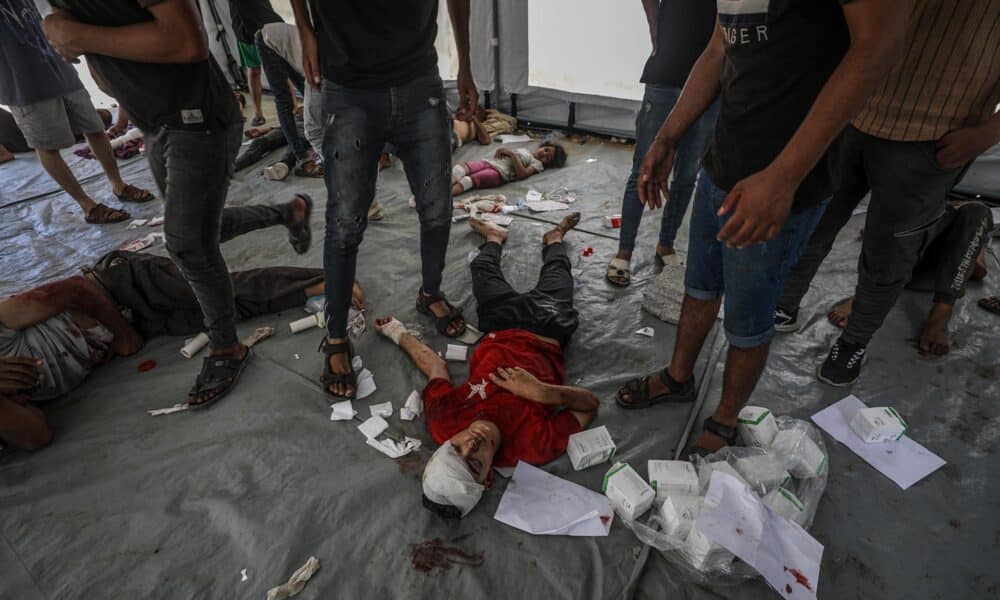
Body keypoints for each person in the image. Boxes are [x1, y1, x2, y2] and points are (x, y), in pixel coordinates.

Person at [616, 0, 912, 458]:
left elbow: (880, 44)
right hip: (724, 163)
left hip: (783, 183)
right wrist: (667, 136)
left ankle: (726, 418)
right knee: (699, 284)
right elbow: (719, 48)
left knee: (749, 314)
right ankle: (678, 378)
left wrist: (783, 178)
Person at [0, 195, 357, 451]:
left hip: (121, 287)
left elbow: (74, 289)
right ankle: (309, 274)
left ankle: (320, 266)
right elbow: (37, 436)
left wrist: (122, 334)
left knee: (213, 283)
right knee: (220, 312)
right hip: (139, 321)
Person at [771, 0, 1000, 385]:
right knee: (815, 218)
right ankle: (783, 303)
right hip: (856, 110)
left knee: (889, 251)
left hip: (935, 137)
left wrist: (986, 135)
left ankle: (853, 343)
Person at [44, 0, 253, 408]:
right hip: (156, 123)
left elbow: (185, 41)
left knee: (187, 244)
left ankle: (227, 347)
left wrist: (75, 34)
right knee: (198, 232)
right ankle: (288, 212)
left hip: (197, 119)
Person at [289, 0, 480, 399]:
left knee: (437, 209)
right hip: (348, 84)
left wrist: (465, 61)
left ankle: (430, 293)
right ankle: (337, 335)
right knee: (344, 224)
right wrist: (304, 28)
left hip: (418, 77)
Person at [373, 212, 599, 518]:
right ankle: (555, 237)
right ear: (488, 477)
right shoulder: (534, 446)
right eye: (475, 462)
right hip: (548, 327)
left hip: (499, 323)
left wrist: (397, 333)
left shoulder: (442, 420)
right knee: (558, 268)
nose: (471, 443)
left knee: (481, 267)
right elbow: (588, 405)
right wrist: (543, 393)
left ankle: (494, 237)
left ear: (443, 446)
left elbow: (436, 369)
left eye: (455, 449)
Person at [0, 0, 153, 224]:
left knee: (94, 127)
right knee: (47, 146)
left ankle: (118, 185)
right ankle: (88, 205)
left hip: (58, 66)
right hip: (23, 83)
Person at [606, 0, 718, 287]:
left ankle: (665, 244)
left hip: (709, 87)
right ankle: (624, 251)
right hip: (667, 75)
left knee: (687, 174)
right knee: (644, 168)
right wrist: (655, 29)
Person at [806, 199, 992, 356]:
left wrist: (976, 245)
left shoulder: (970, 218)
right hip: (904, 266)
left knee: (978, 210)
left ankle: (941, 314)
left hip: (945, 275)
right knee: (938, 209)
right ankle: (868, 294)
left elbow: (978, 270)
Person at [255, 22, 323, 177]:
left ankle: (303, 155)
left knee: (313, 103)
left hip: (287, 44)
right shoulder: (317, 67)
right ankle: (302, 159)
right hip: (267, 41)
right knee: (284, 102)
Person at [228, 0, 284, 127]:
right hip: (244, 29)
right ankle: (258, 113)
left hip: (267, 21)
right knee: (254, 71)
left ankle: (295, 106)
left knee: (281, 67)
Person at [451, 142, 567, 196]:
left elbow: (522, 174)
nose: (544, 154)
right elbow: (501, 154)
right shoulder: (526, 151)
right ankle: (440, 185)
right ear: (542, 146)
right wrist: (501, 151)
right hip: (490, 163)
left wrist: (512, 155)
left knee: (468, 181)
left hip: (499, 174)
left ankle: (444, 196)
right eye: (546, 150)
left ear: (547, 164)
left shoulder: (537, 164)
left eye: (548, 157)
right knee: (460, 168)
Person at [451, 106, 516, 151]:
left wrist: (474, 119)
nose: (461, 110)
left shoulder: (475, 125)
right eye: (460, 109)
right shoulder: (453, 118)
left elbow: (486, 140)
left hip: (453, 136)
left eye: (467, 109)